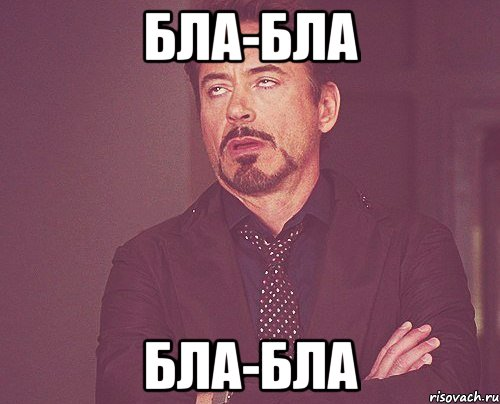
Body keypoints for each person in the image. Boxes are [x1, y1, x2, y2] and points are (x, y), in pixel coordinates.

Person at [96, 1, 480, 402]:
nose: (237, 110)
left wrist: (218, 398)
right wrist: (368, 393)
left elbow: (453, 391)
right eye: (217, 89)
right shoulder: (145, 262)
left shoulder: (416, 248)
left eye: (265, 81)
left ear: (325, 108)